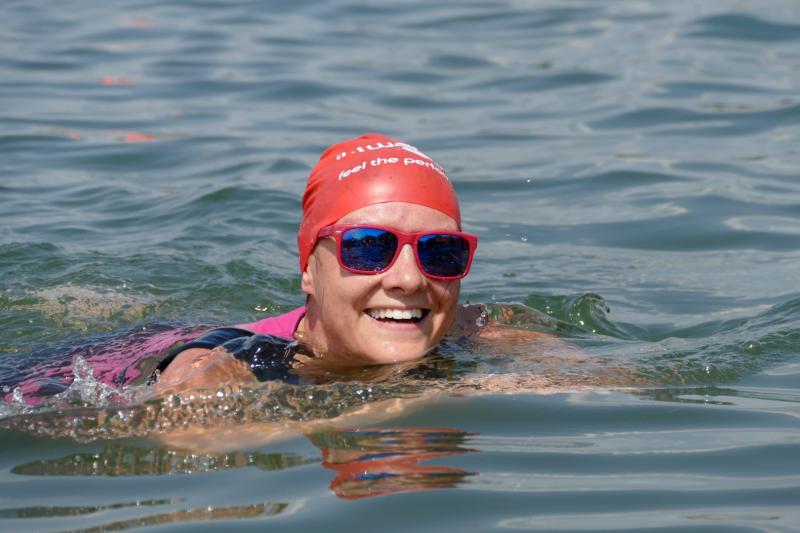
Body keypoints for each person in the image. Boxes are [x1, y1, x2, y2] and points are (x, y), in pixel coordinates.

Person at [153, 133, 491, 394]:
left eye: (440, 250)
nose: (410, 279)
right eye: (369, 247)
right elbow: (181, 436)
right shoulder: (232, 362)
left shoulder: (464, 329)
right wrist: (425, 397)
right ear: (308, 269)